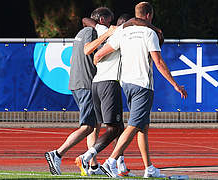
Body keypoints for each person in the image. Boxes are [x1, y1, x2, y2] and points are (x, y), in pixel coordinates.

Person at [93, 2, 188, 178]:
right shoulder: (149, 33)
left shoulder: (123, 31)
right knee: (134, 125)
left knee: (143, 127)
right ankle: (111, 161)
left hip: (126, 84)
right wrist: (175, 84)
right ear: (149, 16)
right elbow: (158, 62)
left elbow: (99, 54)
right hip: (142, 85)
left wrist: (99, 68)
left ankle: (149, 168)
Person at [44, 7, 114, 175]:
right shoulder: (91, 32)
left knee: (95, 124)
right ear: (102, 20)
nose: (110, 25)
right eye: (109, 22)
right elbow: (88, 49)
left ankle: (93, 165)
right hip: (85, 84)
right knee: (87, 127)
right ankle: (57, 153)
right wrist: (106, 35)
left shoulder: (83, 32)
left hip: (81, 82)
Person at [75, 14, 135, 177]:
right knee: (113, 128)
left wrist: (107, 31)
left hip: (97, 84)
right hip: (109, 83)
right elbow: (96, 54)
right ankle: (87, 157)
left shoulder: (105, 29)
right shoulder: (123, 35)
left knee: (117, 126)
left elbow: (86, 20)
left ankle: (119, 163)